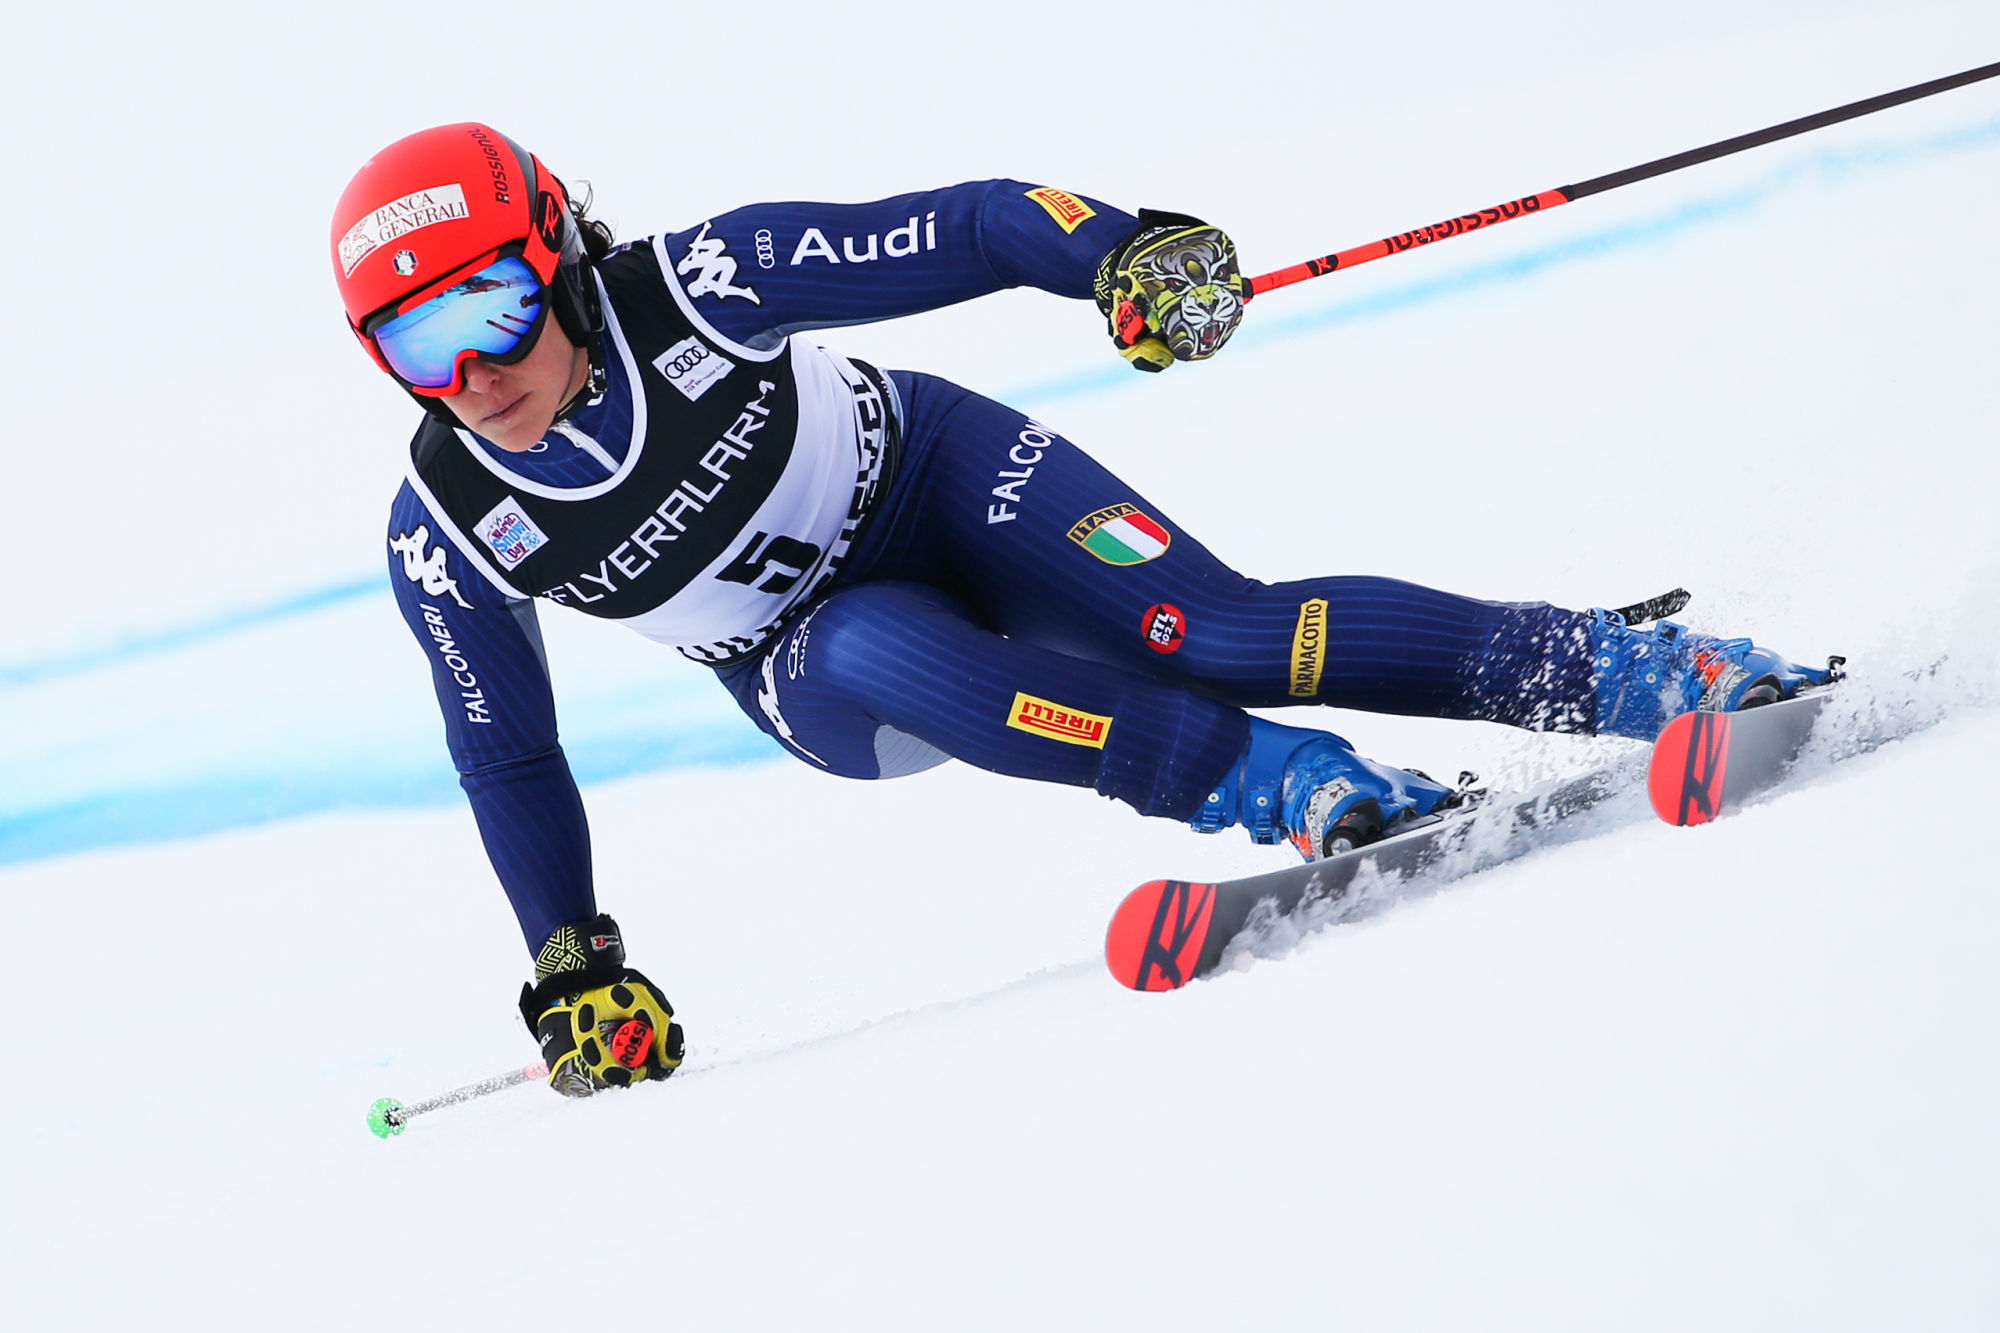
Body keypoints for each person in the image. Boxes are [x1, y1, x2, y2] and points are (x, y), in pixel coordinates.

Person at [332, 123, 1831, 1096]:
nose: (470, 374)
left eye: (488, 308)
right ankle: (1298, 783)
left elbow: (973, 223)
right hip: (813, 667)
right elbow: (508, 754)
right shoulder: (451, 522)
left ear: (562, 252)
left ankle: (1648, 669)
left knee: (1229, 631)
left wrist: (1117, 250)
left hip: (936, 471)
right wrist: (572, 963)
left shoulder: (702, 285)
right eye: (412, 343)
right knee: (873, 641)